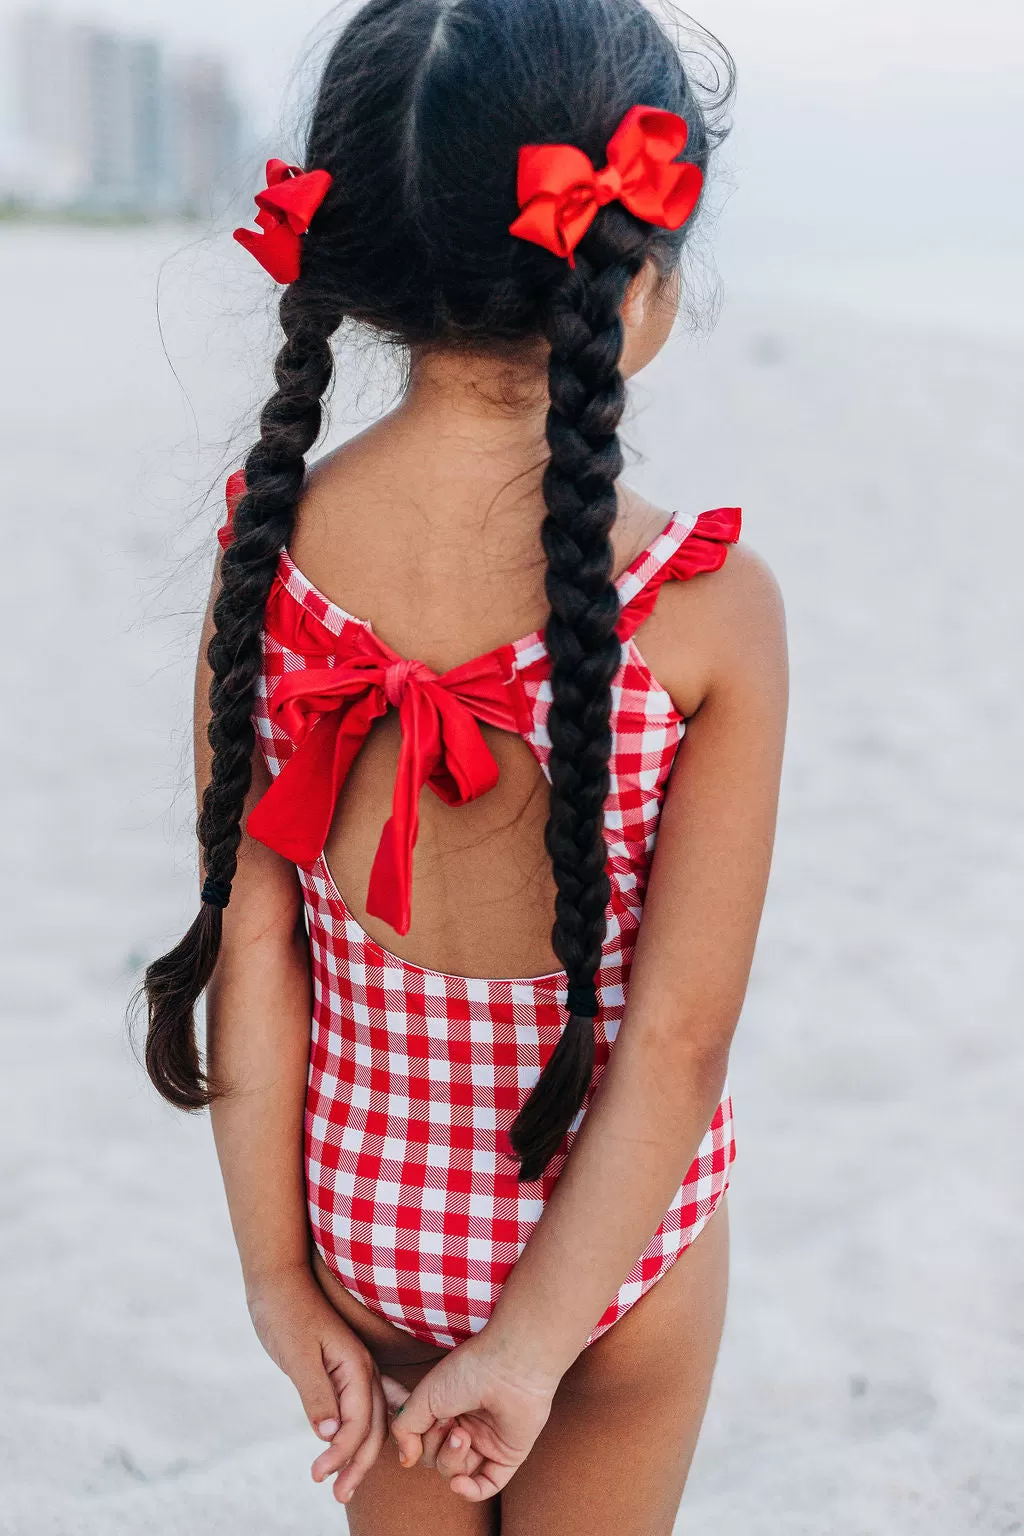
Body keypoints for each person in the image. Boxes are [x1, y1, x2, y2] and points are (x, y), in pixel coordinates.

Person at [140, 1, 787, 1530]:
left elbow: (254, 936)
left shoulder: (271, 548)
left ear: (362, 264)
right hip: (603, 1264)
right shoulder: (707, 614)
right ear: (636, 285)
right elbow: (679, 1045)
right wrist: (536, 1340)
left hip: (364, 1227)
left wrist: (276, 1278)